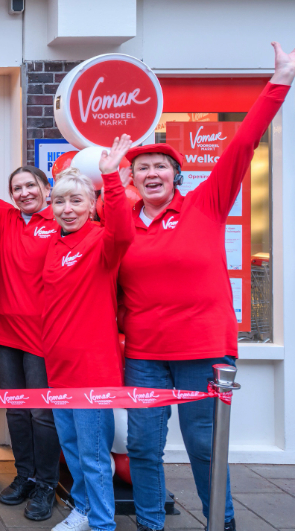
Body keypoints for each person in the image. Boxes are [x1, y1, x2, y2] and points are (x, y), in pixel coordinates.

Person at [119, 43, 294, 531]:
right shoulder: (122, 224)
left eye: (160, 167)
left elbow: (242, 145)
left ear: (176, 176)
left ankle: (223, 521)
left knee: (203, 445)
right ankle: (151, 523)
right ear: (130, 179)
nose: (152, 174)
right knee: (142, 447)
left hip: (205, 352)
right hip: (145, 355)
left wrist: (280, 80)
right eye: (142, 168)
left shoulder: (206, 205)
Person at [0, 130, 61, 521]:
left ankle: (46, 484)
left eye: (30, 186)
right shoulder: (5, 219)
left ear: (46, 189)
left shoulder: (60, 221)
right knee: (17, 410)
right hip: (4, 333)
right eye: (16, 187)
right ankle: (24, 476)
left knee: (42, 413)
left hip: (42, 336)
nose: (23, 193)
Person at [40, 136, 134, 531]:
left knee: (95, 454)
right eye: (60, 201)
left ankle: (101, 523)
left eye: (76, 201)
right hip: (58, 366)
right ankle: (83, 508)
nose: (67, 209)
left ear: (92, 205)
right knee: (74, 450)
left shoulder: (101, 241)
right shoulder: (54, 245)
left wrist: (111, 178)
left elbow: (124, 232)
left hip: (92, 369)